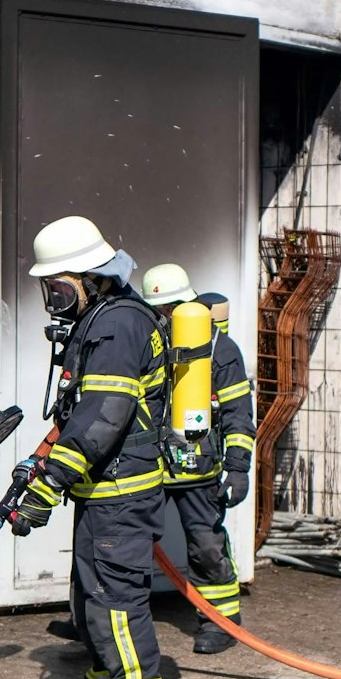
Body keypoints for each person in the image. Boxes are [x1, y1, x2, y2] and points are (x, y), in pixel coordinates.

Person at [0, 216, 171, 679]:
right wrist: (40, 466)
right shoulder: (99, 320)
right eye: (48, 291)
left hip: (121, 496)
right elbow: (76, 416)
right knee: (91, 605)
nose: (52, 301)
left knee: (117, 607)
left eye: (58, 289)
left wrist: (49, 486)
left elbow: (105, 419)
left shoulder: (119, 325)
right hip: (101, 493)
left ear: (94, 278)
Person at [141, 264, 256, 655]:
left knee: (206, 545)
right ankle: (95, 617)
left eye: (168, 309)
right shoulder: (148, 339)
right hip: (150, 466)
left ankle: (221, 622)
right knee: (120, 543)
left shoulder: (219, 348)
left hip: (198, 465)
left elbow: (239, 411)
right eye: (158, 310)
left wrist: (237, 467)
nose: (164, 317)